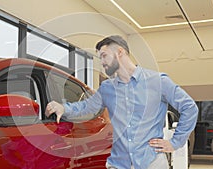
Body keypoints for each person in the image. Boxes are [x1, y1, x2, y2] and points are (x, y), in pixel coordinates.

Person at [45, 35, 198, 169]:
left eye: (104, 56)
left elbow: (189, 108)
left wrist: (175, 142)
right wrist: (63, 108)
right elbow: (87, 106)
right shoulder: (107, 88)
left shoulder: (158, 81)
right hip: (118, 163)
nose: (102, 62)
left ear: (120, 52)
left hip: (151, 163)